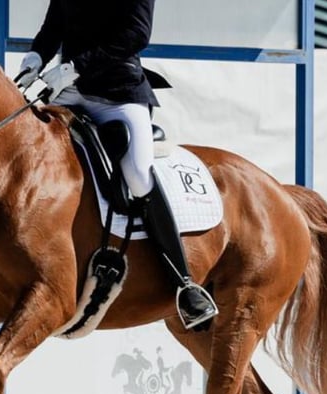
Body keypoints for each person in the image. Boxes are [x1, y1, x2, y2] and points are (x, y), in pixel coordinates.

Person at [17, 0, 218, 330]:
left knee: (138, 176)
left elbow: (136, 35)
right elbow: (53, 27)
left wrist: (74, 66)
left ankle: (183, 282)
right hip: (68, 92)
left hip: (119, 94)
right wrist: (35, 59)